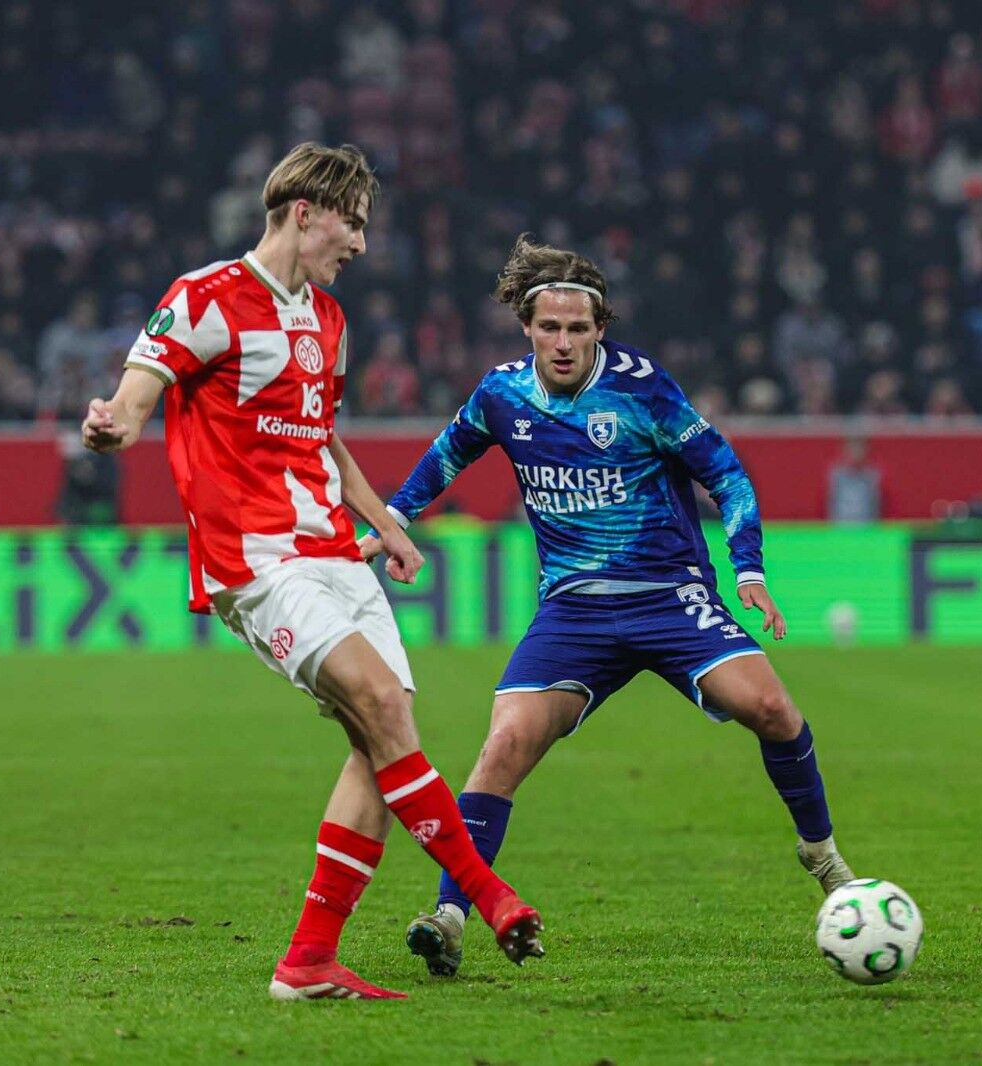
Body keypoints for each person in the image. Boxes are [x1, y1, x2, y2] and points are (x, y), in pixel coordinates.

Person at [78, 143, 542, 1001]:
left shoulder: (328, 319)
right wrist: (114, 426)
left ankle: (309, 963)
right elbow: (139, 396)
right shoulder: (205, 298)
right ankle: (489, 895)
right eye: (352, 223)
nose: (361, 243)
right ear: (305, 213)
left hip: (334, 551)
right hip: (257, 560)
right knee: (379, 705)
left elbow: (323, 439)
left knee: (380, 742)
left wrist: (387, 525)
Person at [367, 234, 856, 978]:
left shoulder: (643, 390)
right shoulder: (501, 394)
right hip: (574, 613)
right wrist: (393, 520)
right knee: (503, 746)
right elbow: (445, 457)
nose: (563, 343)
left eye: (578, 328)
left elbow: (727, 475)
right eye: (549, 328)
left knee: (773, 710)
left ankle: (822, 856)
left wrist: (748, 568)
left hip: (669, 597)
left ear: (601, 329)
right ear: (526, 327)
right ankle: (451, 915)